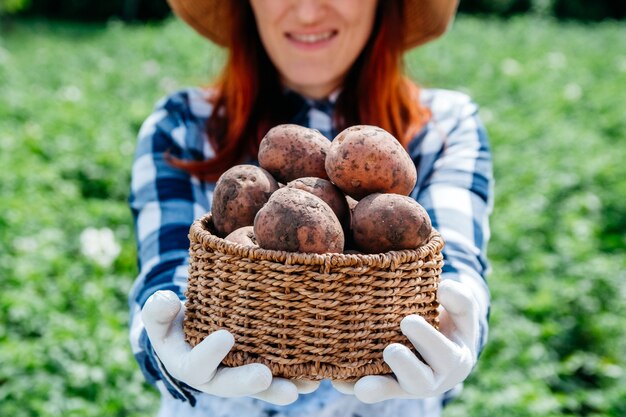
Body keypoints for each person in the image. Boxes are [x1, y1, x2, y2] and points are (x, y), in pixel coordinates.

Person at [128, 0, 493, 416]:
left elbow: (457, 262)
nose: (307, 12)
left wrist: (462, 326)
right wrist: (168, 341)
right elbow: (167, 269)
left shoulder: (446, 124)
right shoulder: (181, 124)